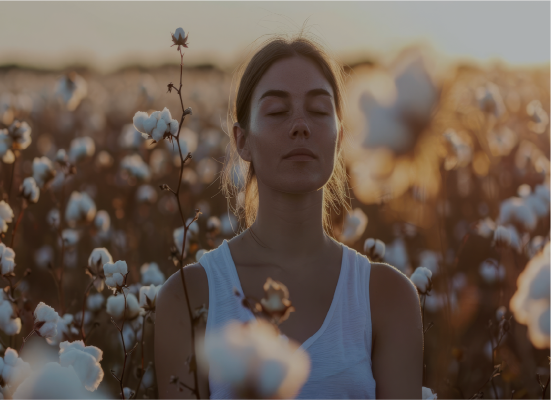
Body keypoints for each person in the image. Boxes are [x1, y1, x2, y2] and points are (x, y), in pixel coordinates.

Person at [155, 32, 423, 399]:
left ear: (339, 138)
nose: (301, 125)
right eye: (278, 111)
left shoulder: (389, 298)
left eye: (318, 110)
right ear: (242, 141)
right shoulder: (187, 297)